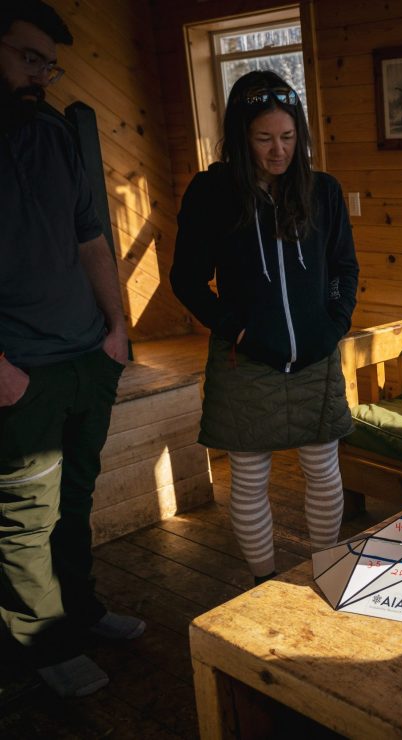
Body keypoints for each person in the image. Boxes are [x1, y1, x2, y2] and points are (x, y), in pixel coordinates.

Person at [0, 0, 145, 698]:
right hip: (19, 369)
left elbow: (93, 239)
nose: (42, 76)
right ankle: (44, 646)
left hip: (88, 355)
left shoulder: (55, 133)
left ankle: (82, 613)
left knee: (75, 501)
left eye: (49, 65)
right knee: (25, 521)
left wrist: (116, 329)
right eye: (30, 60)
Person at [170, 70, 359, 585]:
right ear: (240, 136)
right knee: (250, 478)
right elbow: (186, 280)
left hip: (316, 357)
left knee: (323, 472)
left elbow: (343, 267)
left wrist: (336, 321)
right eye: (264, 138)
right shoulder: (212, 193)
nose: (279, 151)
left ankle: (329, 571)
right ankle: (262, 582)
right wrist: (238, 330)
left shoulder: (322, 191)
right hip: (246, 359)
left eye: (288, 137)